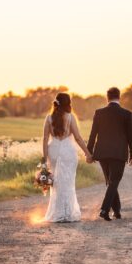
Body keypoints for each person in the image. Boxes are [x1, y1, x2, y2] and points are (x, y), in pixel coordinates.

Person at [42, 93, 93, 222]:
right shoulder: (70, 117)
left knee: (57, 183)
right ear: (68, 103)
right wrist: (88, 153)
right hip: (68, 152)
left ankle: (57, 213)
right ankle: (67, 213)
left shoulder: (48, 118)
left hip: (53, 151)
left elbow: (45, 139)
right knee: (68, 182)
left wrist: (44, 159)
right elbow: (78, 138)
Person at [87, 87, 132, 221]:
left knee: (111, 182)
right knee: (114, 181)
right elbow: (131, 136)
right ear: (119, 97)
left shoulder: (99, 113)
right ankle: (104, 209)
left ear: (107, 97)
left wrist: (89, 152)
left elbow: (93, 134)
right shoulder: (127, 114)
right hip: (119, 153)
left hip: (102, 153)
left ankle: (117, 211)